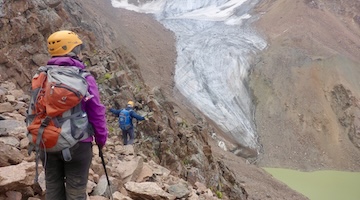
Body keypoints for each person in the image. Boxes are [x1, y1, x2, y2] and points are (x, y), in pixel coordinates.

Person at [40, 30, 108, 200]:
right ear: (73, 50)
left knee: (52, 186)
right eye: (78, 48)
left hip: (47, 141)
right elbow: (96, 111)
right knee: (76, 190)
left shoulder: (41, 76)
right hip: (78, 143)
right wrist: (101, 139)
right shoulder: (84, 78)